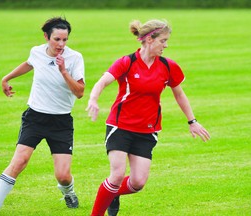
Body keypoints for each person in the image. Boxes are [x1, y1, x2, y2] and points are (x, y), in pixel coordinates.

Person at [85, 19, 210, 216]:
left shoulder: (168, 66)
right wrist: (93, 99)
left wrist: (192, 121)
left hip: (147, 130)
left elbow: (179, 94)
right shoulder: (127, 62)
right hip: (120, 126)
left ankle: (113, 193)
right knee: (116, 175)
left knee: (138, 183)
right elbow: (102, 82)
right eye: (163, 40)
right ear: (150, 39)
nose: (166, 45)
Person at [0, 17, 85, 216]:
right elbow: (29, 63)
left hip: (61, 122)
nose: (61, 44)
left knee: (63, 176)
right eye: (57, 39)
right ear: (46, 37)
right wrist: (7, 78)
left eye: (65, 40)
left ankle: (68, 192)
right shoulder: (37, 51)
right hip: (35, 118)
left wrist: (64, 71)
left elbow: (80, 92)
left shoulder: (74, 58)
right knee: (19, 162)